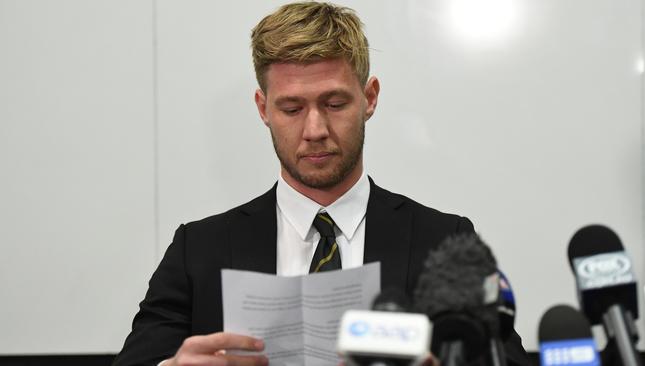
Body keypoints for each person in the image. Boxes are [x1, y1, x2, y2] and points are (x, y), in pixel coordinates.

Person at [113, 2, 530, 366]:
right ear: (263, 108)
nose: (314, 129)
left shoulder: (444, 242)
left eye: (334, 104)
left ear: (370, 98)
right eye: (292, 108)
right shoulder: (199, 249)